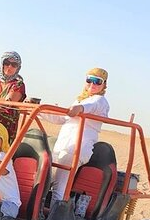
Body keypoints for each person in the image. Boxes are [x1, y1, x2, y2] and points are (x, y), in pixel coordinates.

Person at [39, 67, 110, 201]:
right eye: (89, 80)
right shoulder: (80, 100)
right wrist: (40, 110)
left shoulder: (100, 101)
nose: (92, 84)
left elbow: (91, 107)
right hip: (63, 147)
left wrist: (80, 109)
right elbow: (62, 118)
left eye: (97, 81)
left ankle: (55, 219)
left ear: (104, 84)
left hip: (76, 149)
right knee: (44, 181)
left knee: (59, 188)